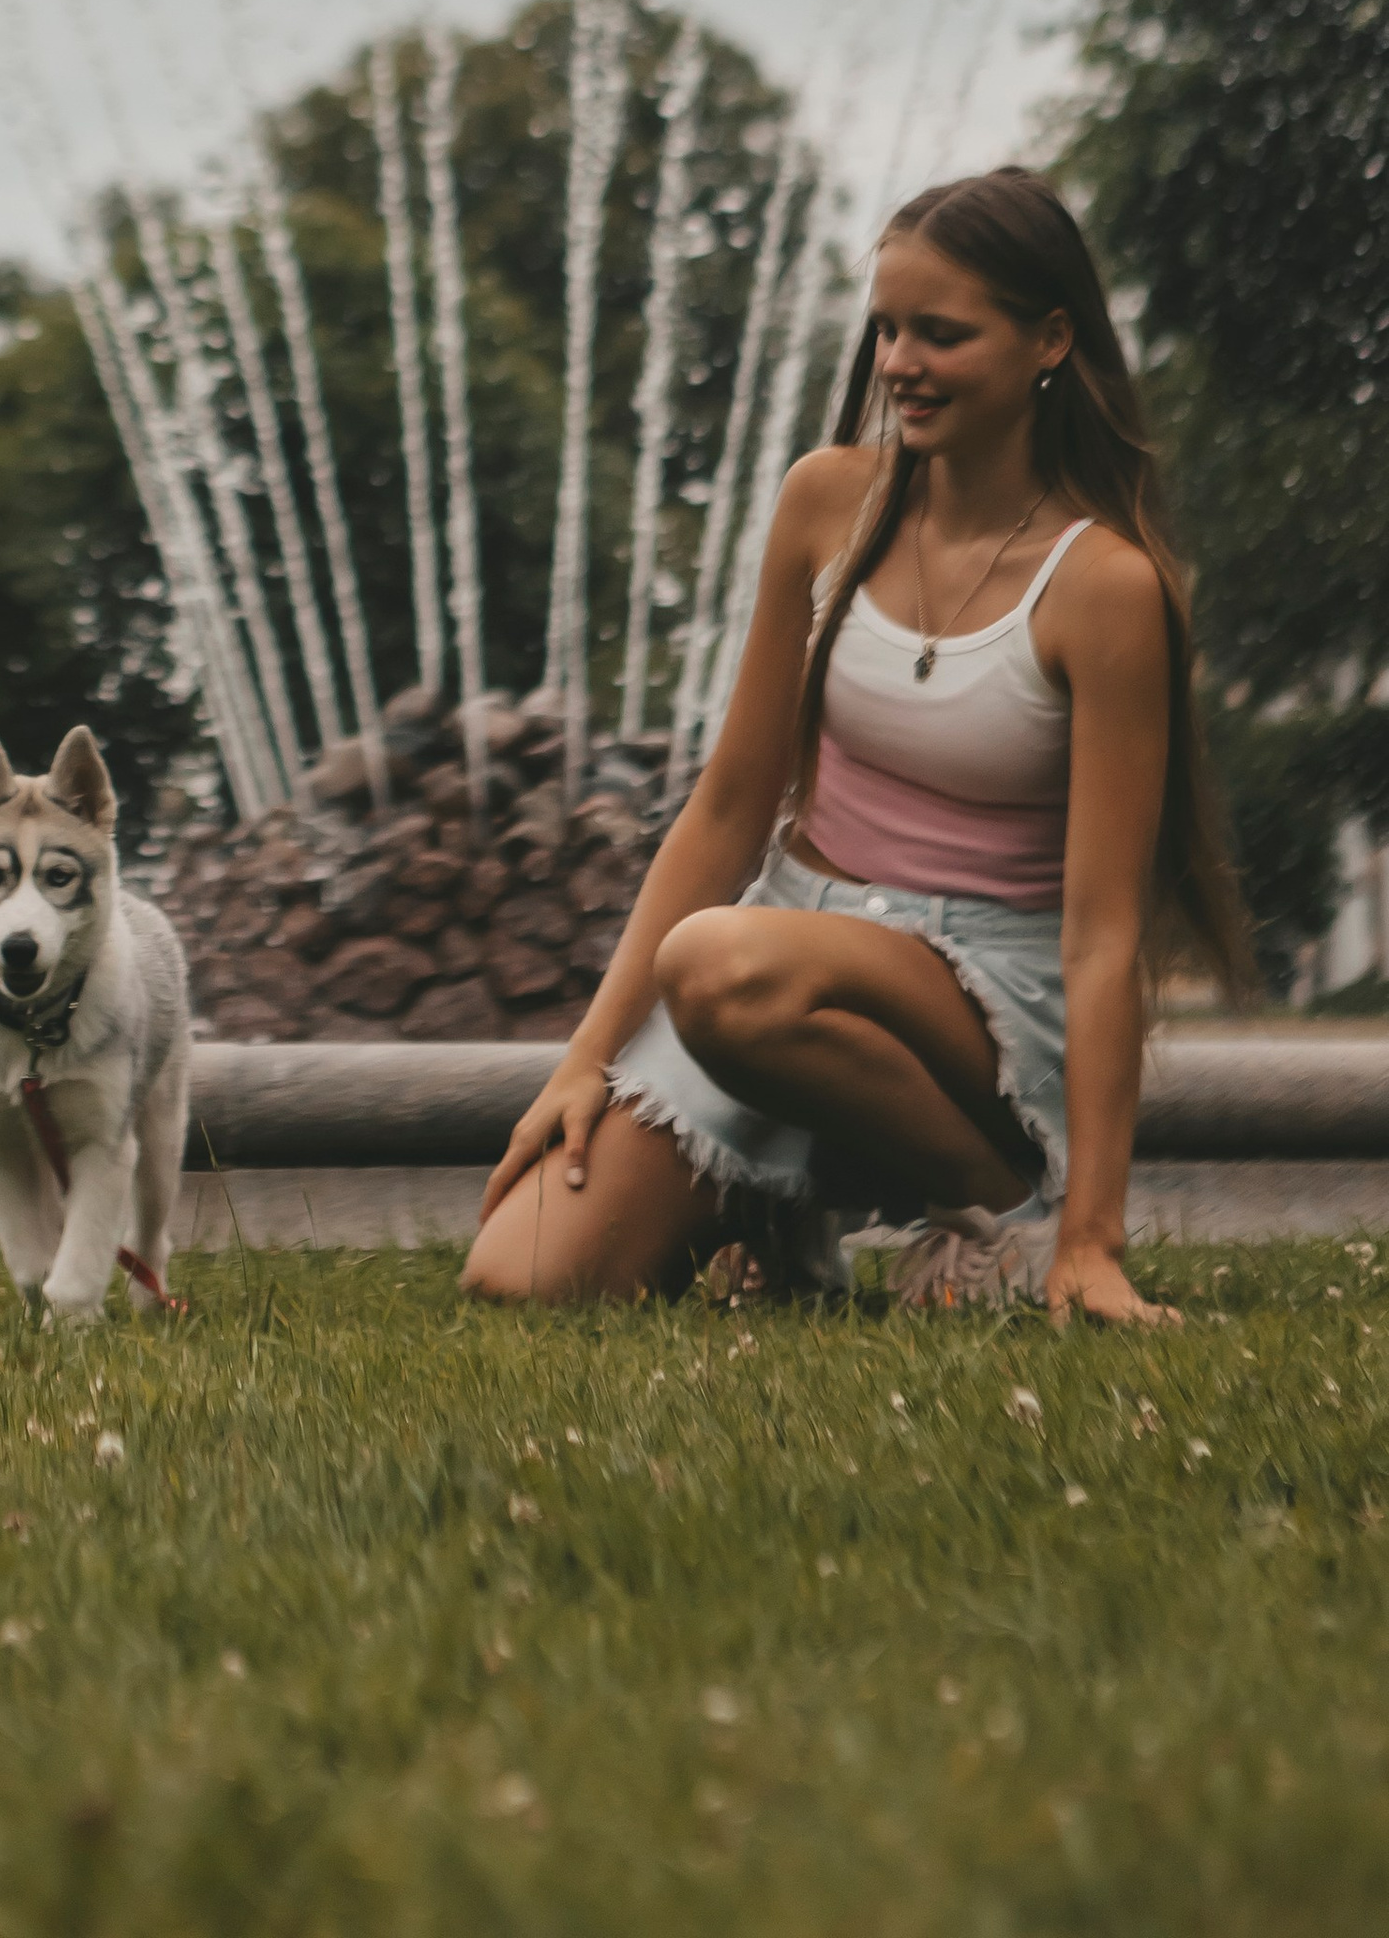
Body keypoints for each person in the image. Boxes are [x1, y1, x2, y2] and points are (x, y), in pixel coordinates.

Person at [464, 165, 1249, 1325]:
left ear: (1048, 339)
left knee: (720, 966)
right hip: (796, 955)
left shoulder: (1105, 587)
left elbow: (1100, 935)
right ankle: (781, 1211)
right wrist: (585, 1055)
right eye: (886, 328)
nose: (897, 363)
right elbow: (730, 809)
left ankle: (1008, 1211)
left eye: (939, 333)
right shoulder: (825, 503)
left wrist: (1094, 1231)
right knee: (522, 1275)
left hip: (981, 1001)